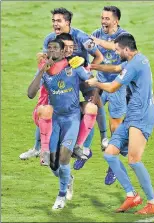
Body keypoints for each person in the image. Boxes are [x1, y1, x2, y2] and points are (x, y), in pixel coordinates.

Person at [86, 33, 154, 215]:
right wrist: (95, 66)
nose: (116, 52)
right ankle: (131, 195)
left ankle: (153, 203)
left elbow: (112, 87)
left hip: (142, 117)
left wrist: (96, 82)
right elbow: (117, 68)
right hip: (132, 116)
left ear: (126, 49)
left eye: (118, 49)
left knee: (134, 161)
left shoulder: (134, 65)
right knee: (110, 154)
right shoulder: (138, 58)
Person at [20, 7, 106, 160]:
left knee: (93, 102)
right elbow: (49, 59)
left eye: (59, 21)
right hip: (60, 77)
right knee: (45, 105)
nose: (55, 24)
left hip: (79, 74)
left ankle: (99, 139)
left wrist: (87, 69)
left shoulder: (81, 37)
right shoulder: (50, 39)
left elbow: (98, 56)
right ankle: (38, 148)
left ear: (68, 22)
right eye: (53, 21)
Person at [28, 38, 91, 209]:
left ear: (63, 52)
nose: (51, 51)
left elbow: (91, 80)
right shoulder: (46, 72)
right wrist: (42, 71)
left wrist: (91, 97)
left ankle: (61, 195)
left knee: (64, 158)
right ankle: (68, 179)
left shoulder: (74, 67)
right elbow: (30, 94)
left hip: (72, 119)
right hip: (54, 120)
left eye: (55, 48)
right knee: (52, 163)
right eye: (49, 48)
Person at [73, 6, 127, 185]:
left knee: (115, 127)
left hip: (118, 86)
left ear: (116, 20)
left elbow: (122, 62)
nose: (103, 22)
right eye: (102, 18)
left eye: (107, 19)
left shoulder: (125, 37)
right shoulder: (96, 33)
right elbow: (89, 54)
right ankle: (84, 150)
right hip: (100, 83)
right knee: (90, 112)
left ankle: (112, 164)